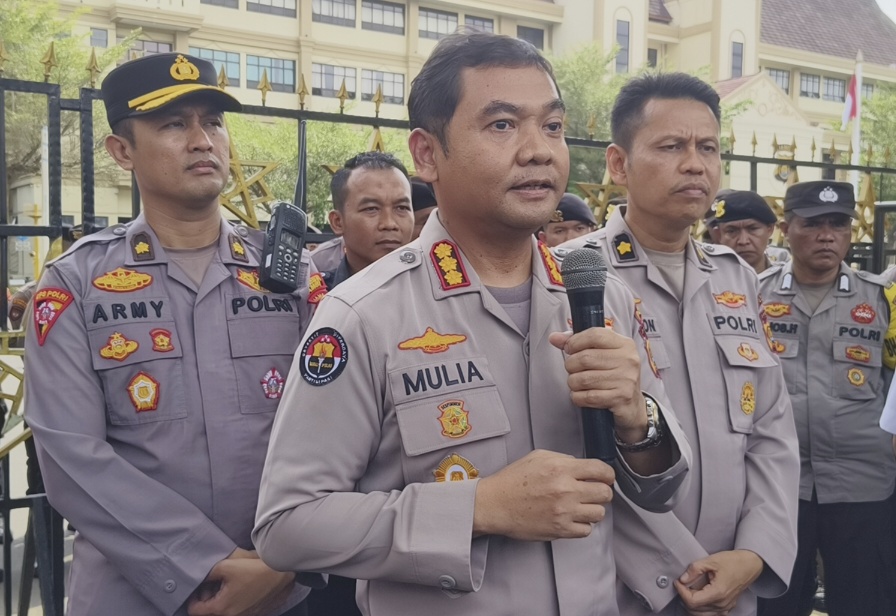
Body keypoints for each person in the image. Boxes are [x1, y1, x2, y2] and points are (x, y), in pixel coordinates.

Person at [254, 31, 692, 616]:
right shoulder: (364, 315)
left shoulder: (599, 295)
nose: (539, 150)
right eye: (503, 125)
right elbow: (288, 526)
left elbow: (661, 489)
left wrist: (641, 422)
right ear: (428, 153)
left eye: (553, 127)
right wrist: (480, 507)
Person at [24, 52, 318, 616]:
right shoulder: (76, 283)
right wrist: (208, 562)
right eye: (173, 124)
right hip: (131, 595)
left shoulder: (290, 276)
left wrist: (283, 563)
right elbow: (70, 457)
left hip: (280, 588)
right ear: (122, 151)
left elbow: (338, 429)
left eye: (212, 121)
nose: (202, 139)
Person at [557, 72, 799, 616]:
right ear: (618, 164)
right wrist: (678, 572)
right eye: (671, 146)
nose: (695, 164)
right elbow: (570, 445)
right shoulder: (573, 278)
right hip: (626, 588)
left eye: (707, 148)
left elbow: (770, 433)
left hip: (733, 583)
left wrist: (754, 555)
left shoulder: (736, 278)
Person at [758, 180, 896, 616]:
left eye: (838, 224)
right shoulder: (752, 296)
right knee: (774, 602)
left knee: (866, 602)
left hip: (865, 484)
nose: (827, 235)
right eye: (813, 223)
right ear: (785, 228)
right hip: (778, 484)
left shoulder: (881, 300)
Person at [321, 152, 414, 290]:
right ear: (338, 222)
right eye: (371, 209)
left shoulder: (435, 293)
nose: (389, 224)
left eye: (401, 208)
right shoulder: (315, 300)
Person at [710, 190, 788, 273]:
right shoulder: (708, 281)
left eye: (753, 229)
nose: (743, 241)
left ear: (770, 229)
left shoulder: (786, 278)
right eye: (732, 231)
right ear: (718, 235)